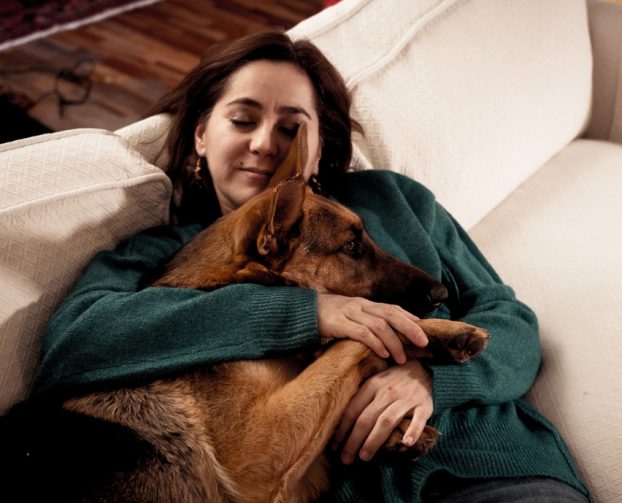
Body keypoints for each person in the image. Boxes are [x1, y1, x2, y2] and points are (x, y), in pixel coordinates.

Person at [32, 31, 589, 502]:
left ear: (318, 148)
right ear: (202, 134)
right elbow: (74, 344)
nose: (264, 144)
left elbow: (509, 320)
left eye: (292, 128)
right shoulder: (157, 251)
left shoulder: (394, 200)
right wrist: (308, 312)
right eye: (243, 119)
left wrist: (430, 379)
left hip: (483, 464)